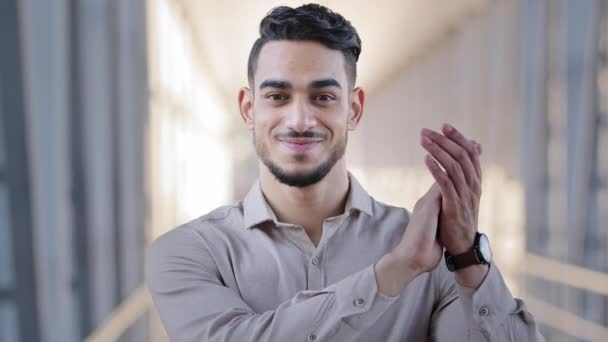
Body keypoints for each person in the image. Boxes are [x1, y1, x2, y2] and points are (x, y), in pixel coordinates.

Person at [147, 4, 545, 341]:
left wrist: (467, 258)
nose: (300, 119)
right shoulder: (189, 253)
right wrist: (394, 271)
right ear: (249, 109)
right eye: (277, 96)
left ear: (353, 109)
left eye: (323, 97)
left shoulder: (435, 253)